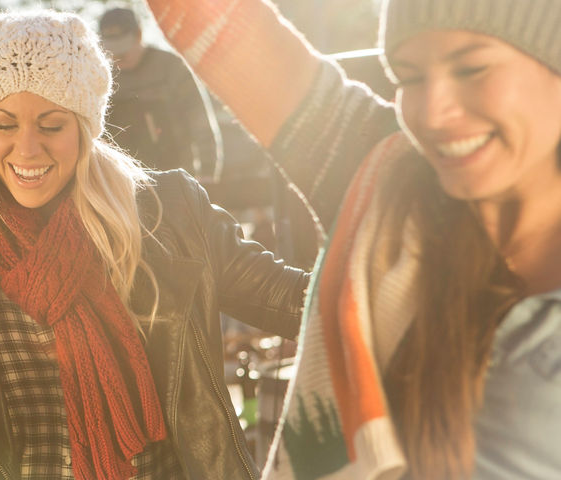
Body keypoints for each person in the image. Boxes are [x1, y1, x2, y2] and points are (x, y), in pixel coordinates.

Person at [144, 0, 561, 478]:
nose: (434, 111)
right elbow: (208, 17)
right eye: (408, 77)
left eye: (472, 67)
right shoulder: (384, 181)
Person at [0, 10, 309, 480]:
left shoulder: (167, 215)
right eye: (5, 125)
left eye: (51, 125)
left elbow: (296, 302)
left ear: (86, 130)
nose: (26, 149)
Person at [98, 7, 222, 180]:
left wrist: (208, 173)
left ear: (139, 35)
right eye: (112, 51)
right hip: (126, 180)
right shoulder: (104, 79)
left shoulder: (171, 68)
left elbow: (200, 121)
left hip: (178, 175)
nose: (119, 56)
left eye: (123, 49)